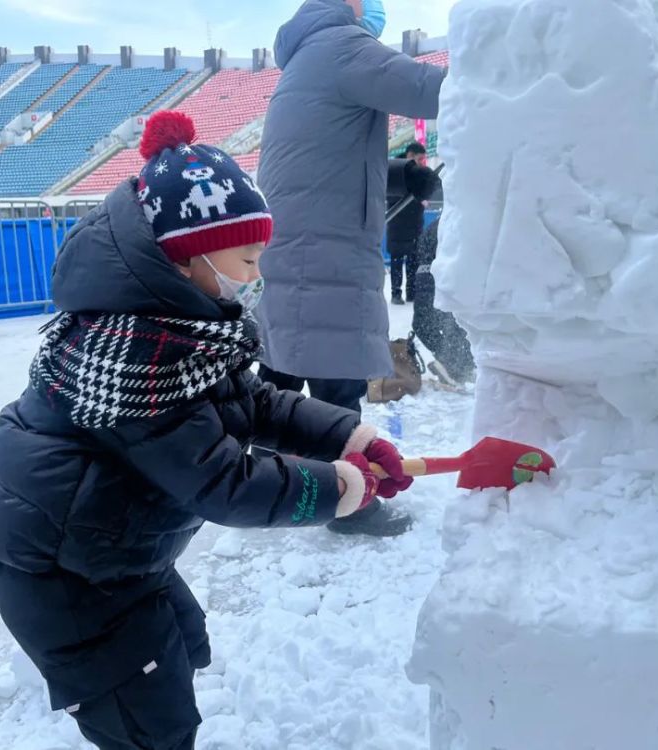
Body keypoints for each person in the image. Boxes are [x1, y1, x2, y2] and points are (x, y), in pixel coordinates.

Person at [0, 112, 414, 750]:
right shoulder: (135, 357)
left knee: (182, 644)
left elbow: (251, 402)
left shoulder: (181, 324)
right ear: (186, 257)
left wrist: (349, 437)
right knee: (149, 721)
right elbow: (224, 482)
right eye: (248, 257)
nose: (257, 274)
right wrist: (337, 488)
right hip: (68, 576)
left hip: (111, 542)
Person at [255, 0, 446, 537]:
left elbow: (328, 163)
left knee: (283, 371)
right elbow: (433, 90)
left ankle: (267, 480)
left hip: (296, 246)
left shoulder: (306, 57)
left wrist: (403, 177)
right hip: (325, 252)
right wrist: (510, 71)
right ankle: (349, 500)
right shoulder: (342, 45)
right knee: (336, 382)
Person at [412, 217, 475, 387]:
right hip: (436, 281)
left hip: (428, 280)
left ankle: (455, 363)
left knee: (427, 325)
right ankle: (454, 364)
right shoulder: (452, 226)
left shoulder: (440, 226)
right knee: (455, 326)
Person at [388, 142, 429, 305]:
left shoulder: (420, 173)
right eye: (419, 159)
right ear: (410, 156)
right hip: (397, 223)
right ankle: (395, 293)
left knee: (413, 261)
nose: (421, 162)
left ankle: (411, 292)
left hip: (414, 223)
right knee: (397, 260)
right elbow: (391, 195)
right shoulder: (395, 171)